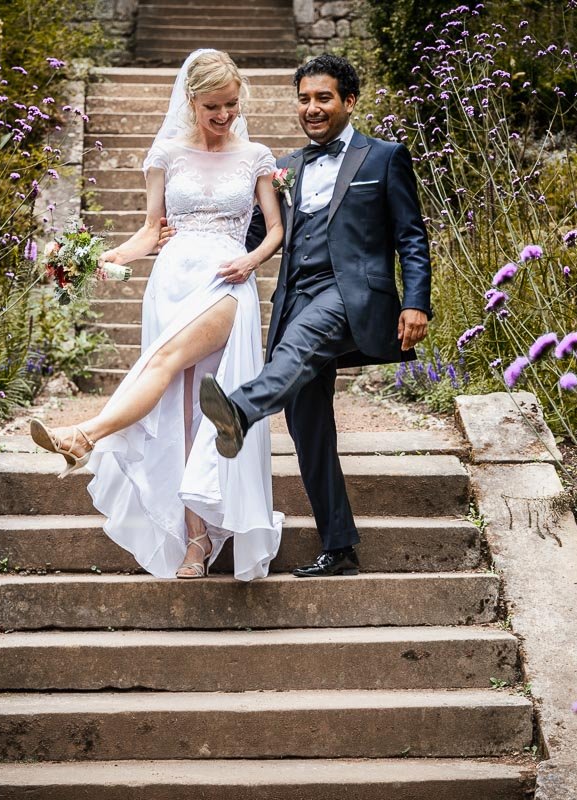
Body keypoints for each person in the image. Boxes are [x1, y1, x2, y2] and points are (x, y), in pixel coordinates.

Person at [29, 49, 285, 581]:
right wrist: (105, 256)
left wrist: (251, 258)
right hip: (171, 280)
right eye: (213, 106)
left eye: (231, 105)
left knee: (164, 361)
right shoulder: (165, 154)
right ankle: (195, 545)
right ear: (190, 100)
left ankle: (85, 435)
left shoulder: (257, 155)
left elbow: (276, 229)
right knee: (184, 412)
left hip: (225, 281)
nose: (224, 116)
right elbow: (151, 230)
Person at [193, 53, 433, 577]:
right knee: (308, 426)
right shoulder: (289, 167)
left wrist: (417, 301)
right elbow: (256, 236)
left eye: (323, 97)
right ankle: (340, 546)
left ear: (349, 101)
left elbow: (412, 236)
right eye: (304, 98)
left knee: (302, 346)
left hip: (351, 296)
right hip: (295, 297)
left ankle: (238, 409)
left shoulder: (384, 157)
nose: (312, 108)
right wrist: (191, 247)